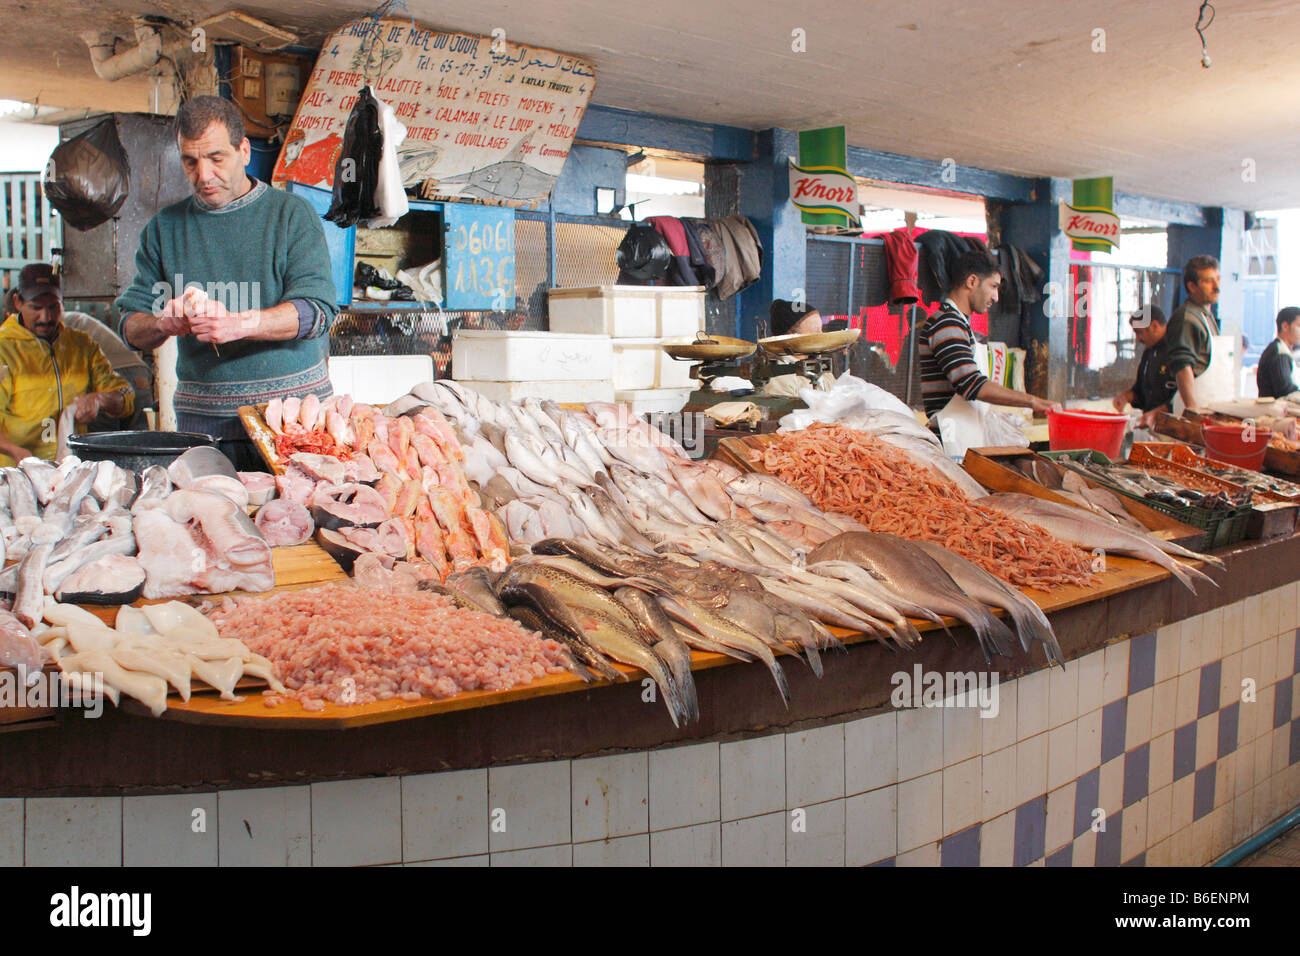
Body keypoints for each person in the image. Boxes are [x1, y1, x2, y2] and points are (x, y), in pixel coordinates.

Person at [115, 95, 338, 470]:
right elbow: (130, 326)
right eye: (190, 161)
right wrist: (161, 323)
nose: (203, 176)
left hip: (296, 421)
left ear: (244, 151)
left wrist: (237, 324)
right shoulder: (164, 229)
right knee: (210, 524)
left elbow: (316, 312)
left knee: (299, 526)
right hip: (205, 429)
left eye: (217, 159)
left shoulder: (290, 215)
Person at [0, 264, 135, 465]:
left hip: (68, 468)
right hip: (16, 472)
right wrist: (15, 451)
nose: (46, 318)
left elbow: (125, 395)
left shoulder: (81, 345)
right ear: (17, 302)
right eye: (36, 308)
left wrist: (100, 400)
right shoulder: (4, 349)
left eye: (53, 307)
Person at [917, 247, 1061, 418]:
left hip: (963, 433)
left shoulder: (959, 323)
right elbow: (971, 384)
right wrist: (1032, 402)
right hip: (949, 435)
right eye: (993, 286)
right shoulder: (948, 324)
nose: (996, 297)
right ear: (972, 281)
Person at [1165, 255, 1221, 413]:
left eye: (1217, 279)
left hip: (1211, 406)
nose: (1217, 287)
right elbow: (1182, 365)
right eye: (1208, 281)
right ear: (1192, 286)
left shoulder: (1205, 316)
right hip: (1197, 409)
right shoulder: (1187, 318)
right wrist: (1192, 408)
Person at [1112, 306, 1177, 426]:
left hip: (1172, 429)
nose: (1137, 339)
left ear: (1155, 326)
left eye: (1139, 333)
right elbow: (1141, 392)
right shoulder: (1150, 352)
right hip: (1150, 426)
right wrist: (1126, 397)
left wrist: (1155, 414)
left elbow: (1180, 398)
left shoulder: (1177, 351)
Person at [1256, 306, 1300, 400]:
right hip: (1275, 412)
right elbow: (1286, 391)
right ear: (1285, 326)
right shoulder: (1279, 352)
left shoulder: (1280, 349)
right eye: (1299, 326)